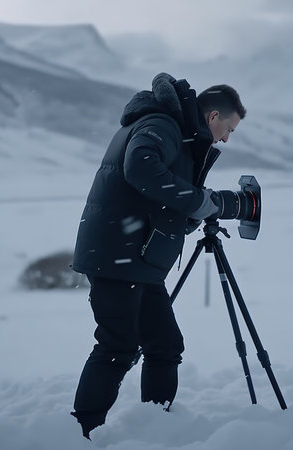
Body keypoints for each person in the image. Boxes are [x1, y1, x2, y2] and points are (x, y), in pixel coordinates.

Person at [70, 72, 246, 439]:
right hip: (119, 255)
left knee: (165, 346)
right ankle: (81, 434)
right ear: (213, 117)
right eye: (228, 128)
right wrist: (199, 202)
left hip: (135, 259)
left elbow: (156, 190)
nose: (227, 138)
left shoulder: (174, 130)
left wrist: (195, 208)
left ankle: (156, 428)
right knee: (117, 346)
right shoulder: (161, 124)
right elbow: (140, 167)